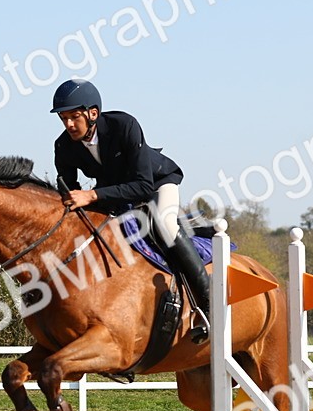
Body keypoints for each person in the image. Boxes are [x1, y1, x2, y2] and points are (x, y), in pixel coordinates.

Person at [51, 78, 210, 342]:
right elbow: (71, 194)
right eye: (63, 118)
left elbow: (142, 186)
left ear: (93, 113)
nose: (68, 124)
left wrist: (91, 194)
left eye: (74, 117)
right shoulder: (63, 145)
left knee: (165, 225)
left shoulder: (124, 125)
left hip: (155, 184)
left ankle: (207, 303)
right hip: (113, 195)